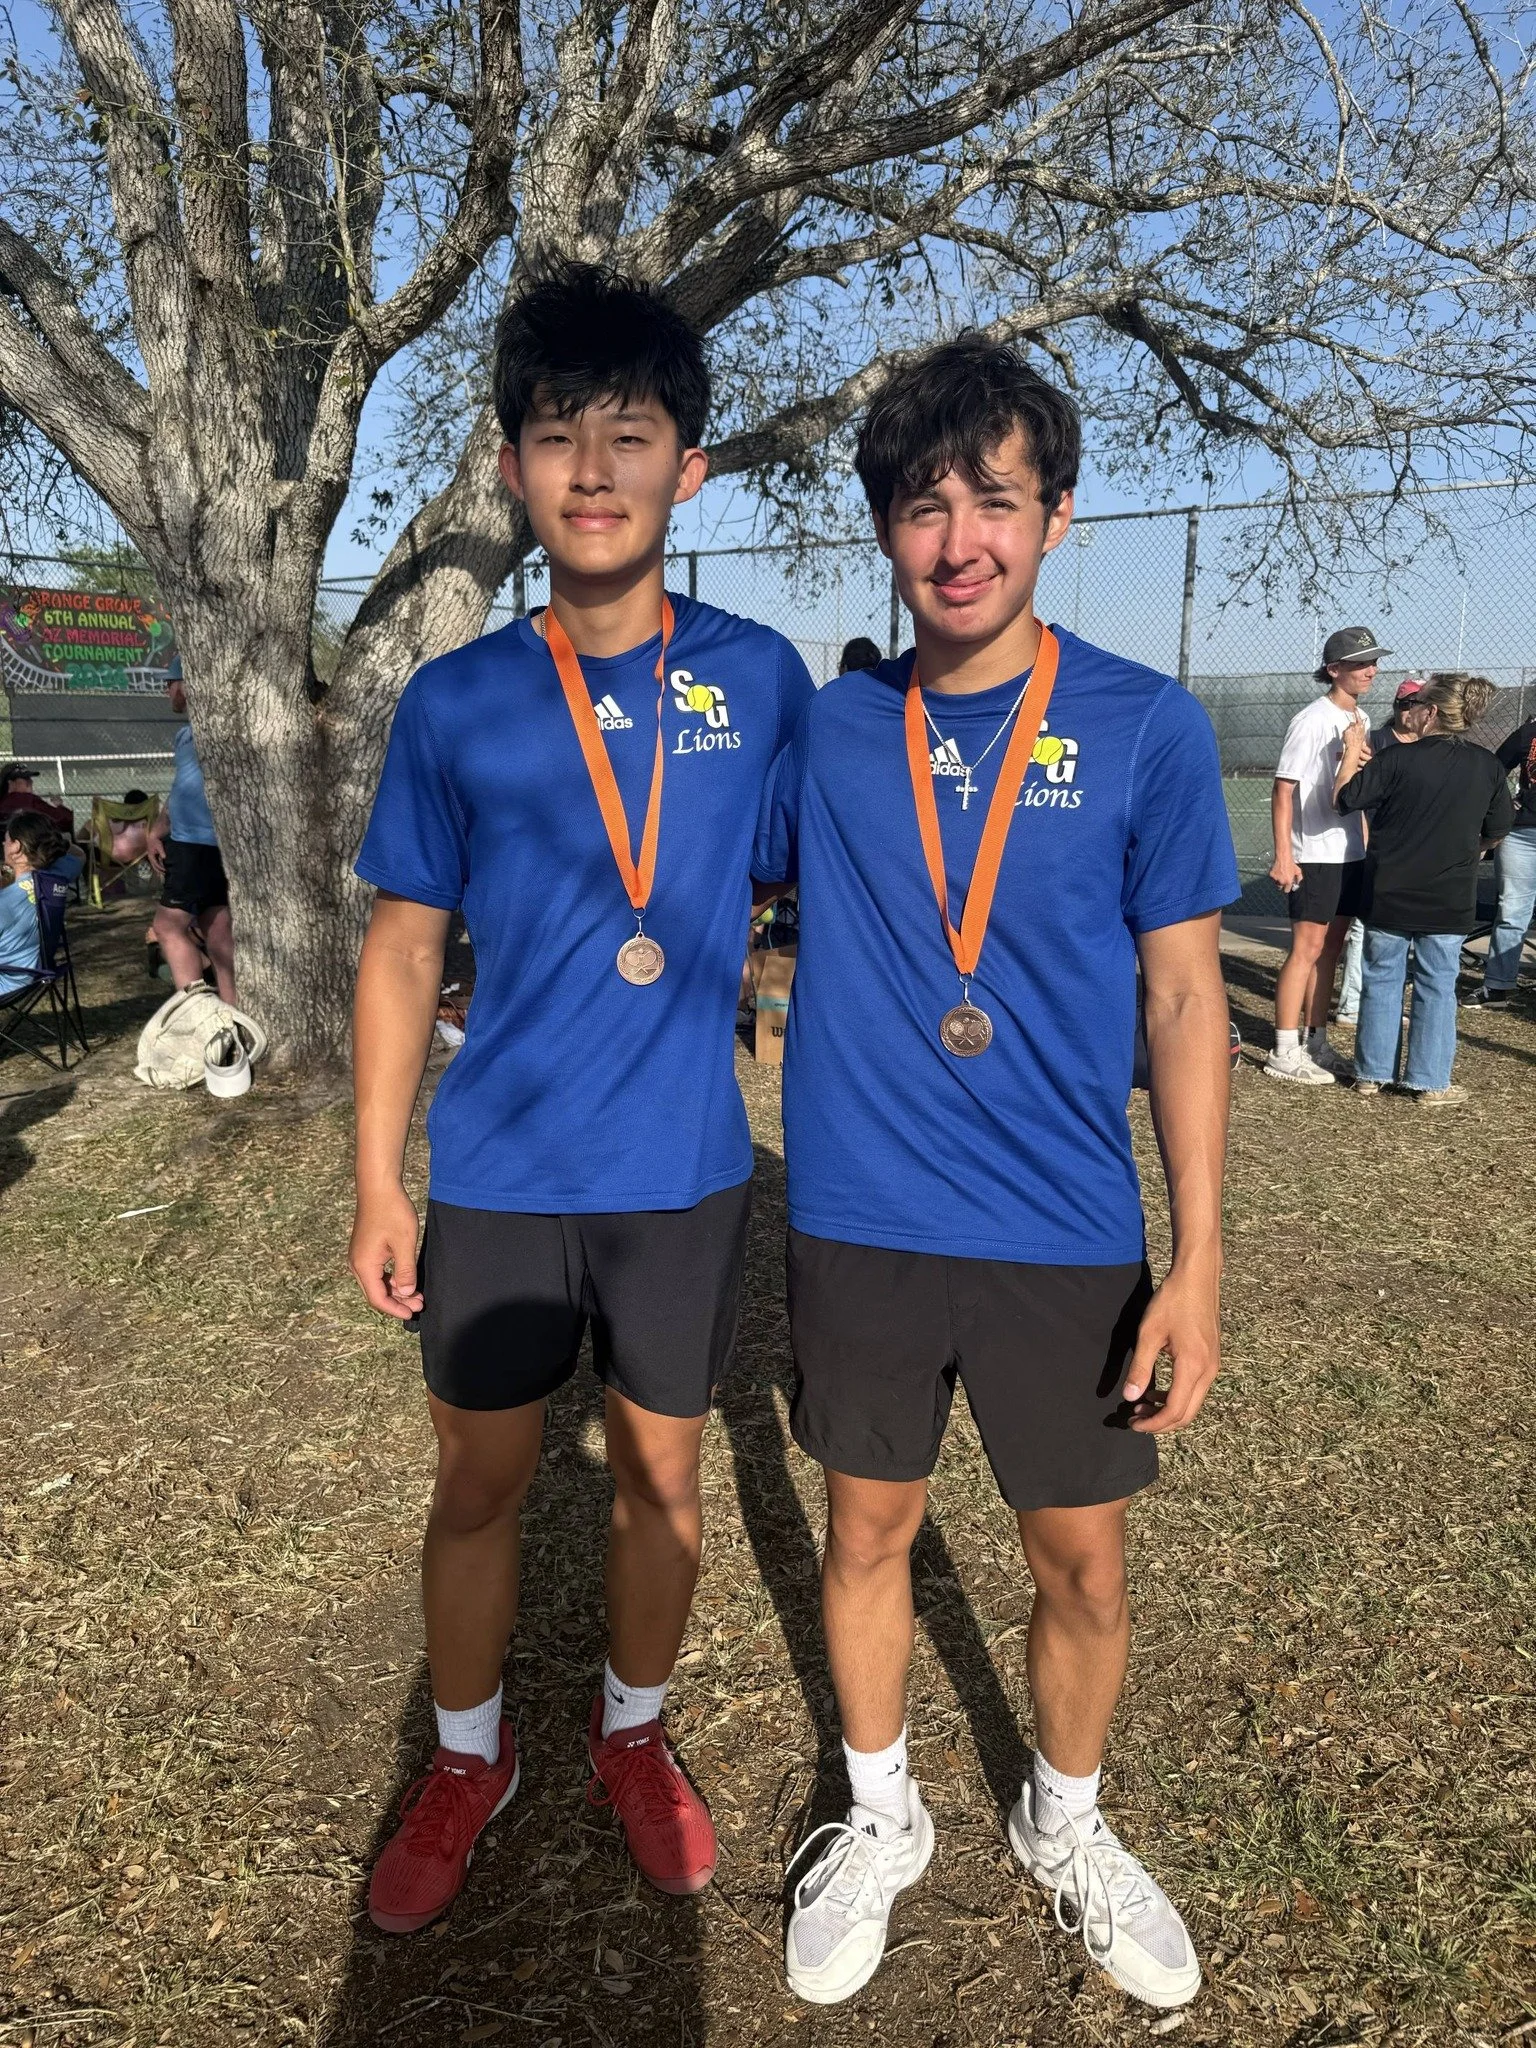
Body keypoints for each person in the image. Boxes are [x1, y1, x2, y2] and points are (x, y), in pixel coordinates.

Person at [754, 336, 1238, 2012]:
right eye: (921, 506)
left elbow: (1186, 999)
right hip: (864, 1214)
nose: (958, 540)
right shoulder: (829, 732)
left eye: (995, 501)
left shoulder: (1145, 725)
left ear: (1058, 514)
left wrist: (1198, 1255)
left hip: (1062, 1225)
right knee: (867, 1528)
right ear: (883, 528)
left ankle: (1066, 1817)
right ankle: (881, 1809)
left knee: (1083, 1563)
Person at [349, 261, 814, 1935]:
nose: (595, 468)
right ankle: (469, 1756)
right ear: (511, 465)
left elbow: (836, 883)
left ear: (691, 466)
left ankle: (632, 1730)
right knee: (478, 1485)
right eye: (559, 434)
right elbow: (404, 948)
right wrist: (381, 1177)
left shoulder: (760, 680)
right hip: (499, 1172)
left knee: (660, 1486)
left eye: (631, 434)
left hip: (679, 1171)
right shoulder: (459, 697)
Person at [1335, 674, 1513, 1104]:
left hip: (1389, 892)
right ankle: (1430, 1082)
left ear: (1431, 712)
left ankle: (1371, 1074)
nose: (1410, 711)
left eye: (1417, 705)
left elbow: (1343, 799)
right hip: (1448, 897)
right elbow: (1498, 828)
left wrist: (1351, 751)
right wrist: (1475, 848)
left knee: (1382, 980)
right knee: (1437, 985)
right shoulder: (1487, 766)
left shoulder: (1396, 759)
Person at [1264, 625, 1387, 1083]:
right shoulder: (1312, 719)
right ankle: (1283, 1050)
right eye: (1361, 663)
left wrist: (1363, 841)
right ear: (1334, 670)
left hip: (1348, 853)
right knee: (1307, 949)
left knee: (1331, 949)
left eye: (1374, 662)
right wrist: (1284, 855)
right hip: (1312, 852)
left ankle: (1315, 1041)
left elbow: (1354, 790)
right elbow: (1283, 790)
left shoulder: (1362, 718)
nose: (1371, 670)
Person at [1336, 678, 1428, 1021]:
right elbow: (1354, 793)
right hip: (1376, 847)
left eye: (1417, 704)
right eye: (1404, 703)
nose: (1410, 711)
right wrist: (1364, 835)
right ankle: (1351, 1005)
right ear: (1396, 706)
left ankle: (1384, 1004)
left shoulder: (1430, 747)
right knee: (1364, 927)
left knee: (1403, 930)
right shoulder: (1376, 741)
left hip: (1412, 851)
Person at [145, 663, 236, 1003]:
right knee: (217, 928)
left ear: (186, 683)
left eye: (169, 683)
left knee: (167, 926)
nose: (167, 692)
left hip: (196, 846)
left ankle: (197, 1013)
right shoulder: (185, 735)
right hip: (194, 845)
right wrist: (158, 828)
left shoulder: (220, 731)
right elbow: (183, 787)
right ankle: (231, 1015)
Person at [1467, 690, 1536, 1009]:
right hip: (1522, 834)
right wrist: (1506, 808)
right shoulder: (1528, 732)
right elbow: (1494, 771)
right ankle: (1498, 986)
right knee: (1512, 911)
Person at [0, 813, 68, 997]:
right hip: (36, 975)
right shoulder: (53, 882)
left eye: (6, 839)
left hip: (7, 981)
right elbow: (78, 855)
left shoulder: (6, 900)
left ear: (16, 847)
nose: (3, 844)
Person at [0, 762, 75, 839]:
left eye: (29, 778)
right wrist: (60, 806)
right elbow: (64, 820)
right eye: (25, 779)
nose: (30, 782)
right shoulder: (29, 800)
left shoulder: (3, 802)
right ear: (11, 783)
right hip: (33, 843)